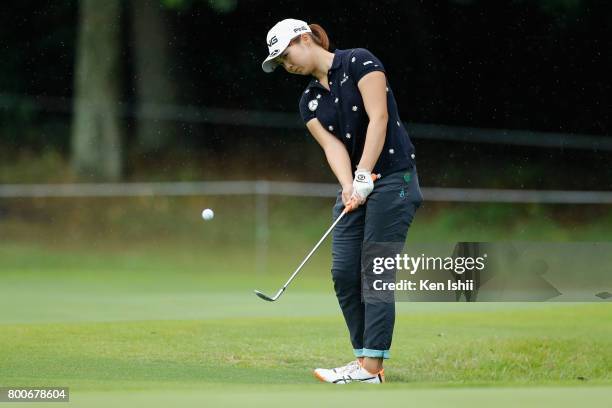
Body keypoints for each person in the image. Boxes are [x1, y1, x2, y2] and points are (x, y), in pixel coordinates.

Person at [261, 18, 423, 384]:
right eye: (281, 62)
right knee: (344, 271)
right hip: (358, 187)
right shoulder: (309, 100)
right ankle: (365, 359)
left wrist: (365, 173)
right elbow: (333, 147)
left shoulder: (359, 61)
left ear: (305, 39)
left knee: (374, 269)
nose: (288, 65)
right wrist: (350, 184)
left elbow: (379, 117)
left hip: (395, 178)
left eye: (288, 55)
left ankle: (371, 368)